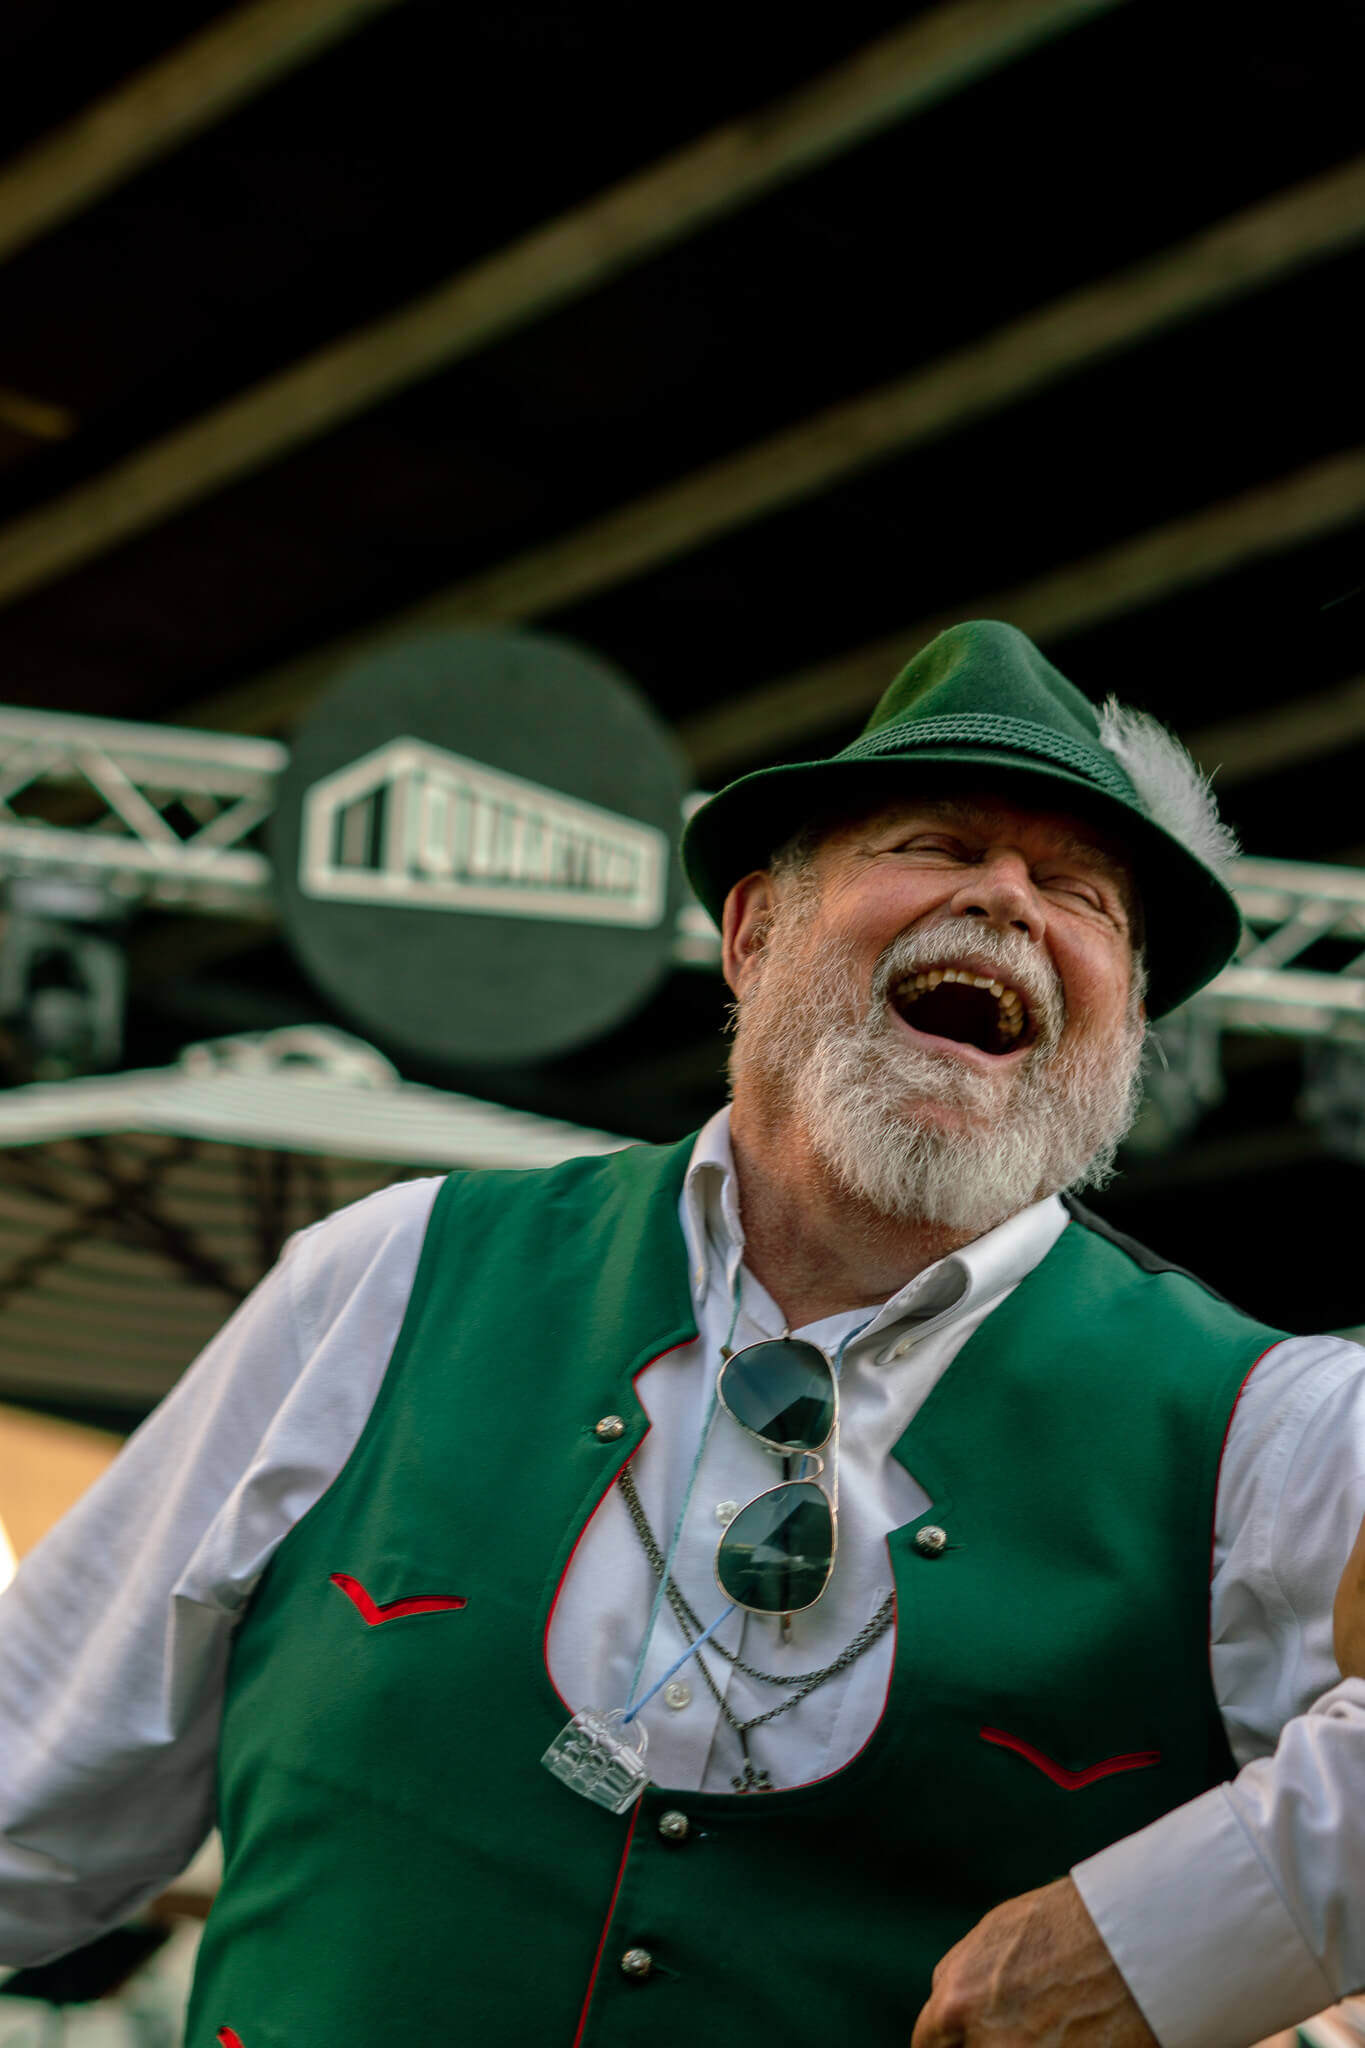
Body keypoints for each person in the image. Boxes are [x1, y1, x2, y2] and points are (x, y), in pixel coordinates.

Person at [2, 618, 1363, 2048]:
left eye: (1080, 891)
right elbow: (30, 1795)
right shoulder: (392, 1273)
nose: (1007, 902)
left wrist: (1165, 1938)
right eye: (936, 843)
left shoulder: (1270, 1429)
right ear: (754, 931)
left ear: (1125, 1025)